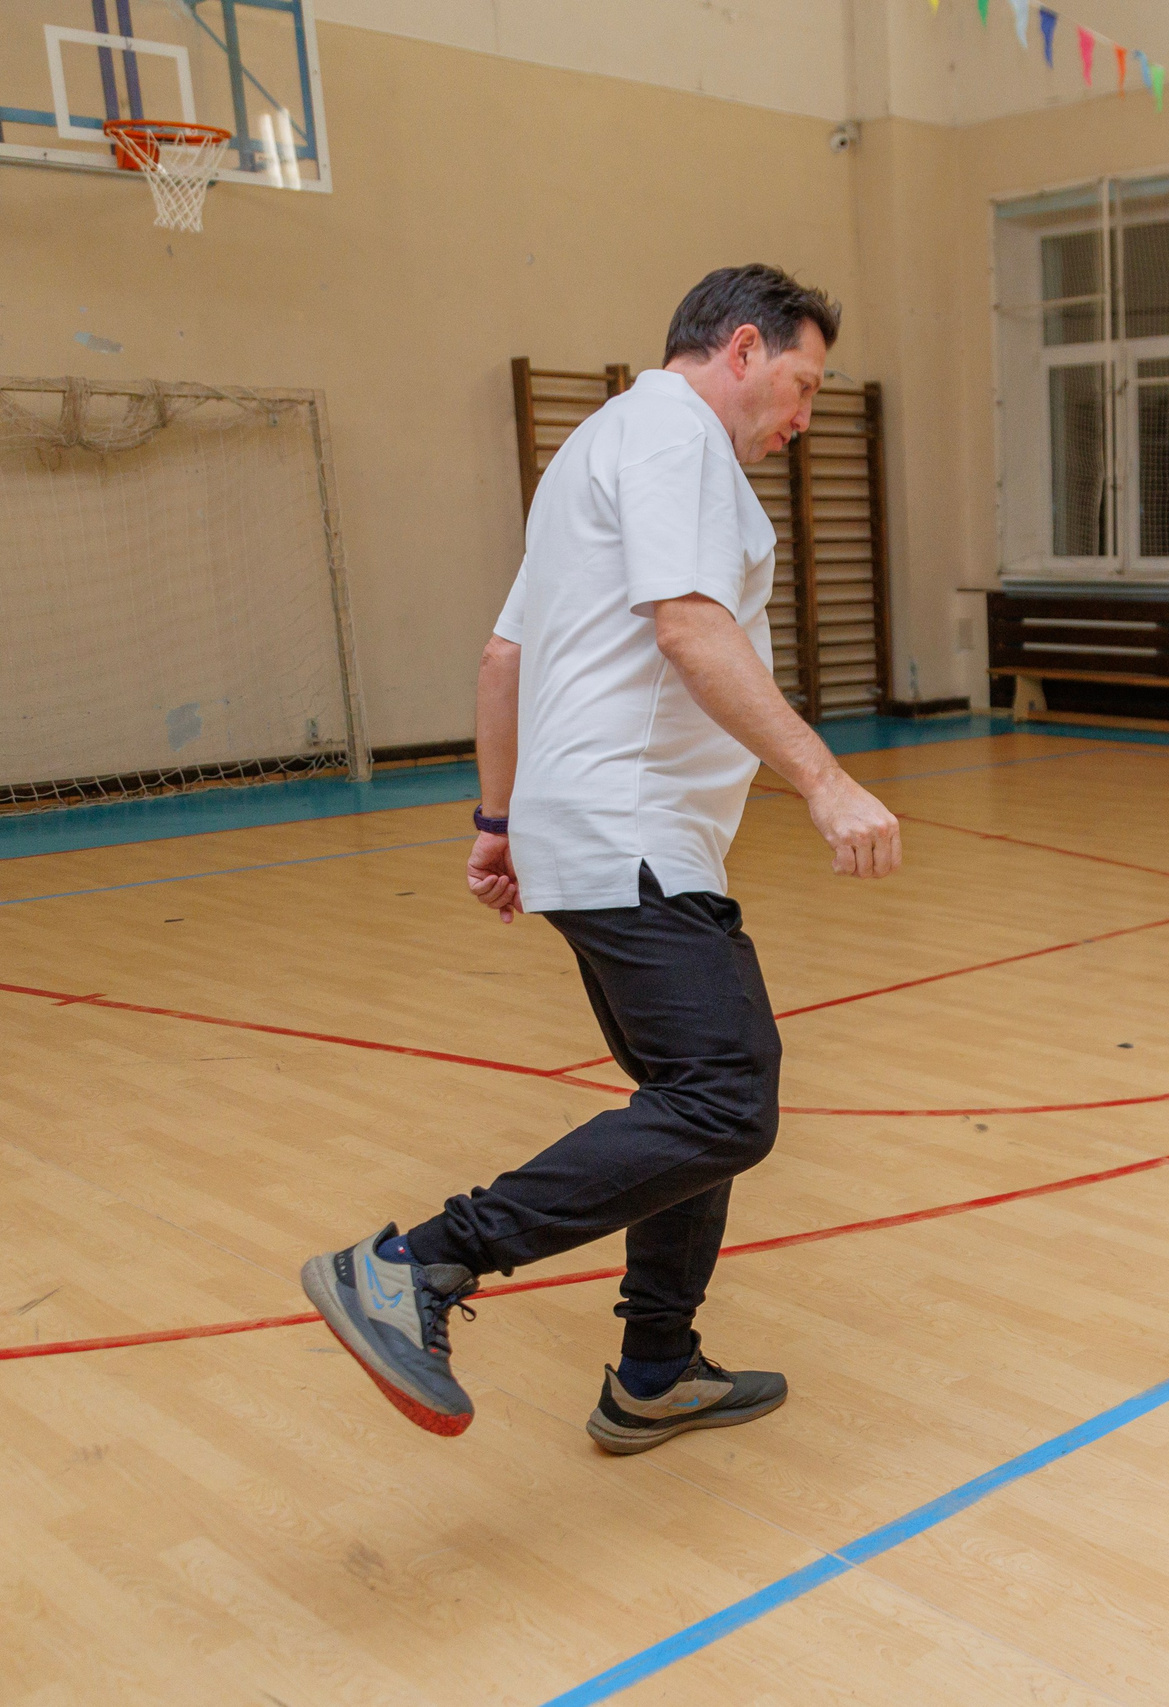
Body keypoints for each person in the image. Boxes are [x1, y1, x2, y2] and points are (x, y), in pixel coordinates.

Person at [299, 265, 903, 1450]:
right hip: (633, 832)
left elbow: (503, 659)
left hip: (592, 831)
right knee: (725, 1100)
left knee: (690, 1096)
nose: (804, 418)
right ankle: (416, 1265)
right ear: (742, 349)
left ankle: (655, 1370)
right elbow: (689, 626)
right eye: (803, 385)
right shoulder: (681, 443)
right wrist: (825, 781)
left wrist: (499, 821)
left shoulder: (595, 446)